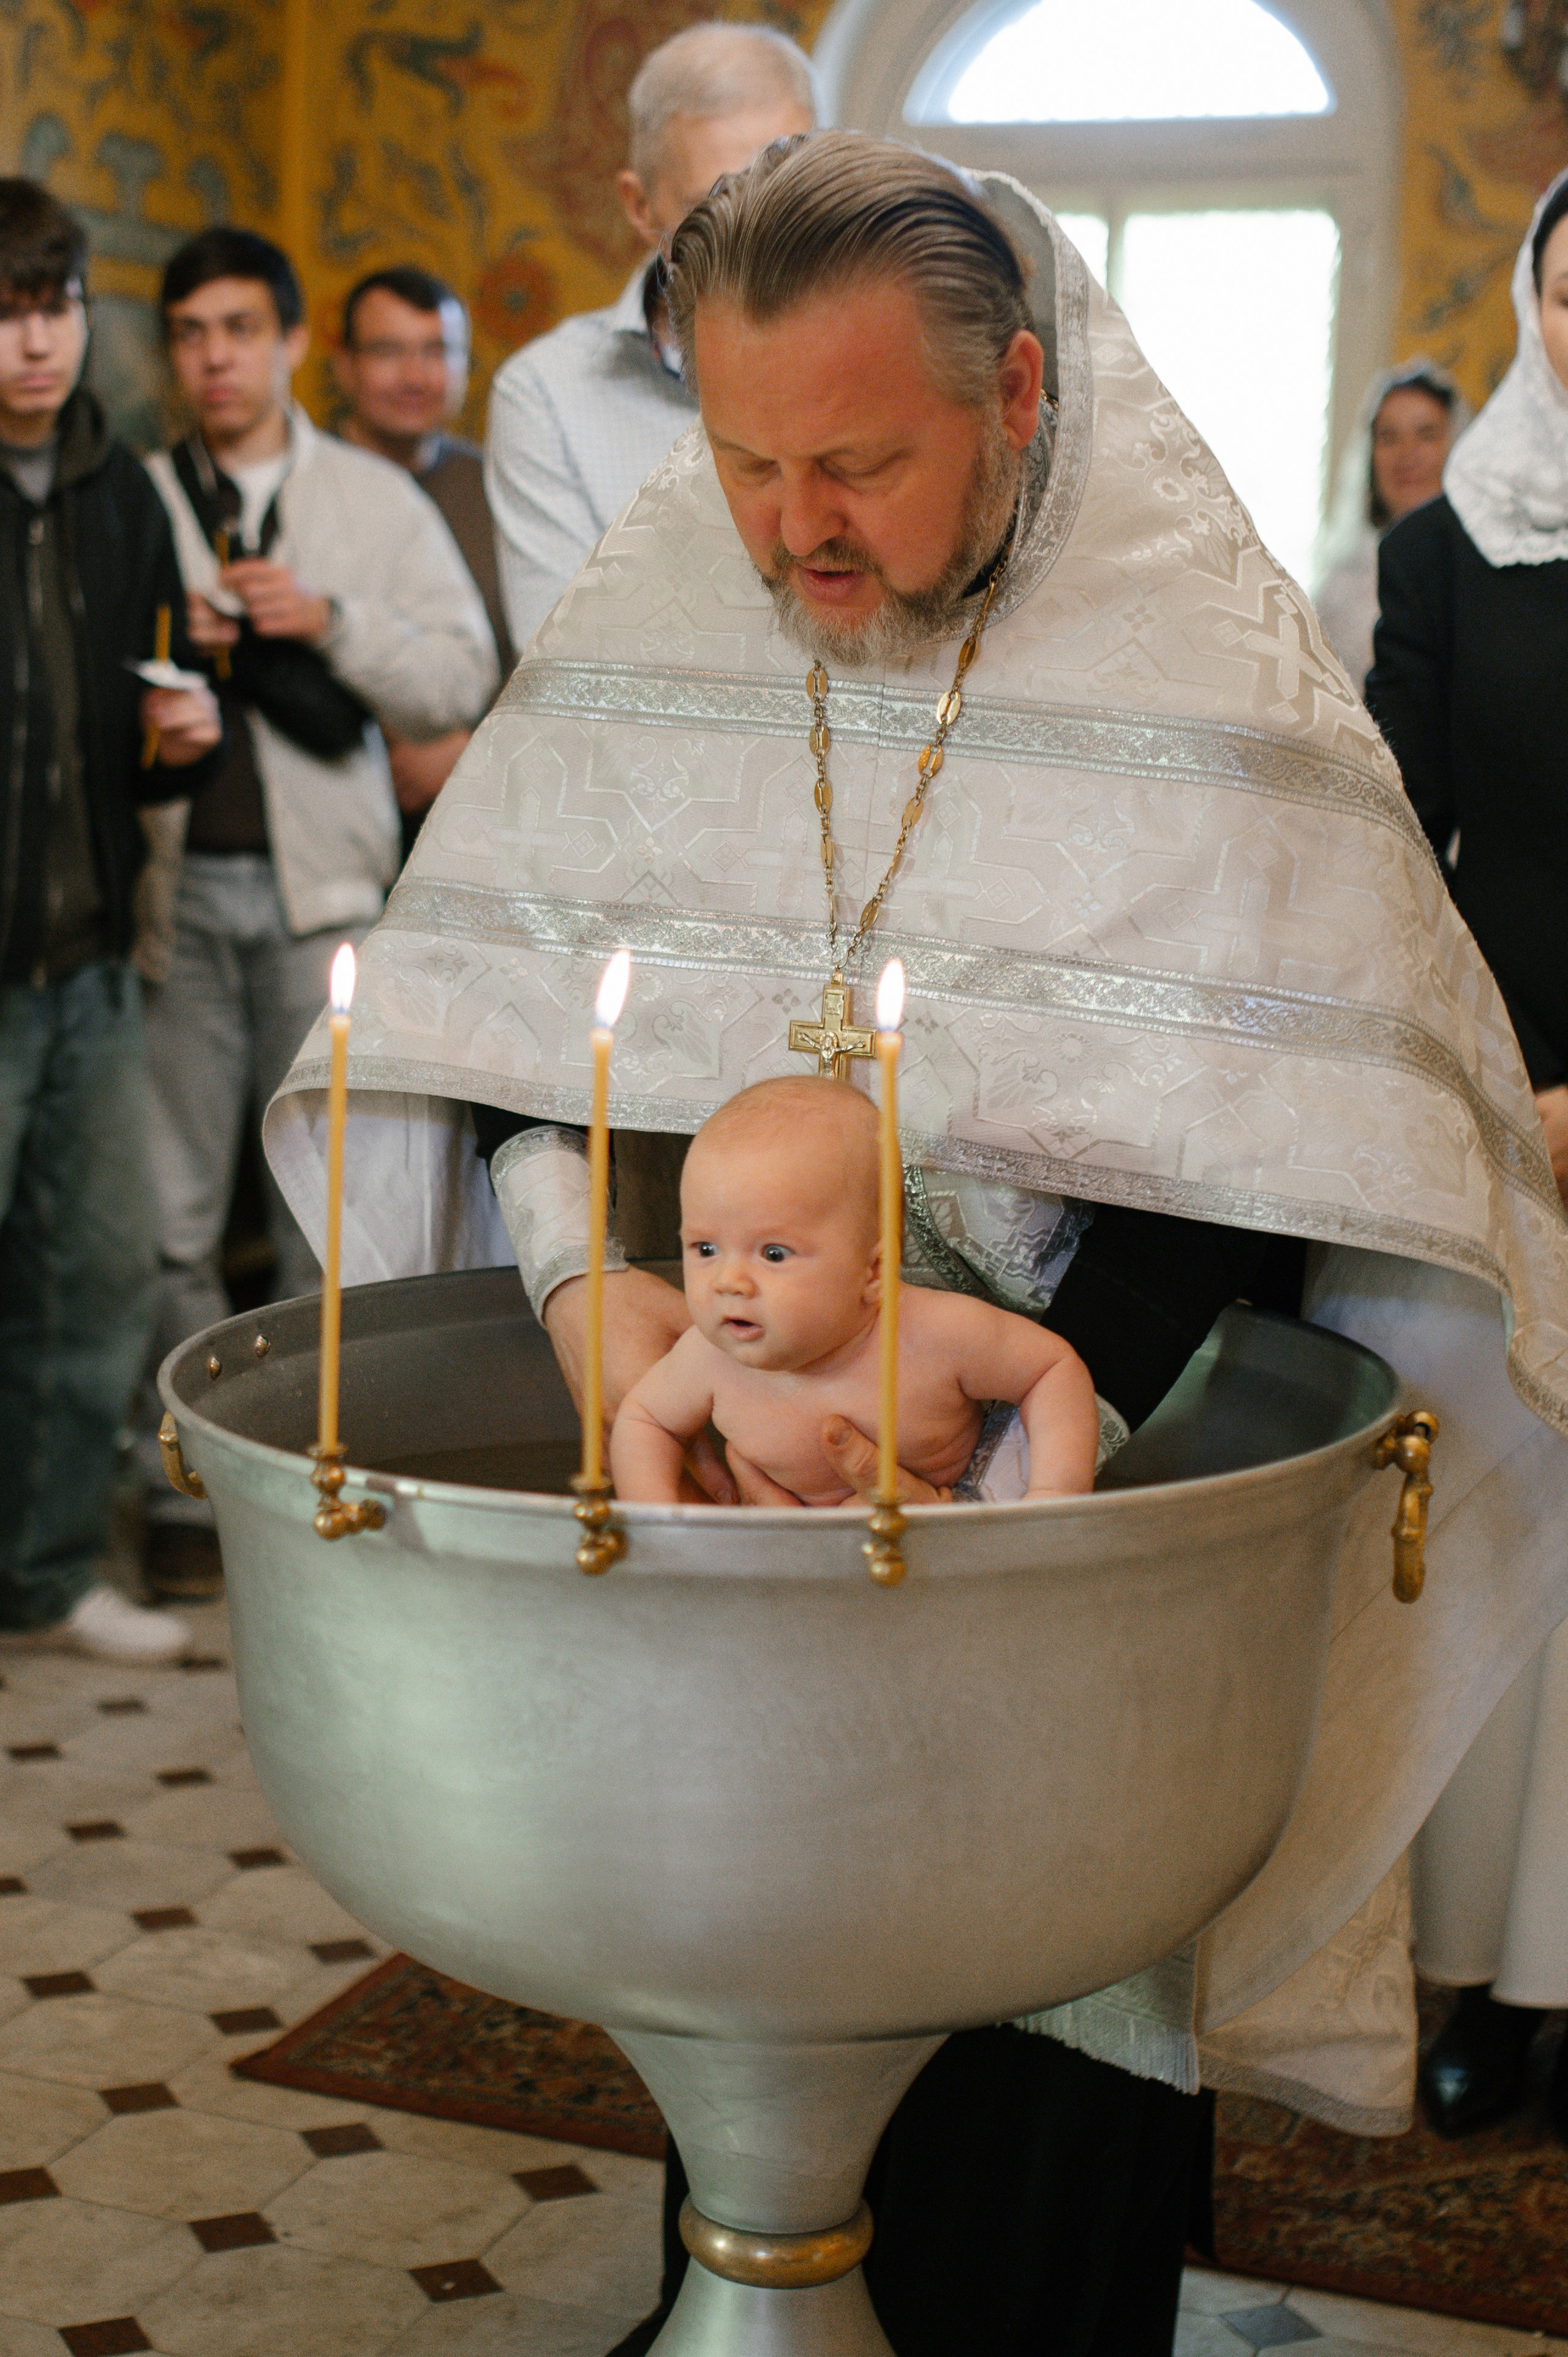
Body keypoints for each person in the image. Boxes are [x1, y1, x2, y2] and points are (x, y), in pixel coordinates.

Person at [267, 137, 1568, 2355]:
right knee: (752, 1992)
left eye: (861, 460)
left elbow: (1281, 1139)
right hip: (734, 1506)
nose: (792, 526)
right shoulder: (681, 620)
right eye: (752, 456)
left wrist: (964, 1412)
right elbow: (522, 1027)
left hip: (1076, 1516)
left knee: (1041, 2069)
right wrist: (606, 1302)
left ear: (1026, 398)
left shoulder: (1213, 696)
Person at [139, 225, 497, 1598]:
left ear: (293, 346)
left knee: (320, 1209)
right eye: (189, 332)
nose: (215, 356)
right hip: (168, 900)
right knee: (168, 1223)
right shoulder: (140, 495)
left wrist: (325, 616)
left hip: (327, 905)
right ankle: (195, 1490)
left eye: (240, 328)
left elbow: (455, 676)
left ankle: (311, 1492)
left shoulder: (369, 501)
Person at [1366, 169, 1568, 2144]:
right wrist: (1509, 1086)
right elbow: (1389, 849)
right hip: (1506, 1108)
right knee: (1511, 1563)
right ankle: (1487, 1992)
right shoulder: (1442, 554)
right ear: (1535, 305)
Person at [0, 179, 221, 1663]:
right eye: (9, 307)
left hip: (91, 959)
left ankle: (51, 1566)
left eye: (58, 304)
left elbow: (139, 710)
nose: (36, 342)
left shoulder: (121, 486)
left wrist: (185, 728)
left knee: (89, 1284)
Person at [611, 1078, 1099, 1507]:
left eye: (774, 1254)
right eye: (706, 1248)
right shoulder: (708, 1359)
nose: (728, 1281)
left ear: (874, 1270)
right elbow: (644, 1421)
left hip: (938, 1535)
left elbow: (1050, 1371)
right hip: (793, 1550)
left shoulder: (936, 1334)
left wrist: (1053, 1497)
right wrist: (658, 1524)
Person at [484, 21, 815, 650]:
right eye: (716, 205)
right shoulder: (546, 393)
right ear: (641, 207)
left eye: (788, 194)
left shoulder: (889, 368)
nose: (761, 237)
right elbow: (566, 666)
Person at [334, 265, 514, 844]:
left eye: (438, 352)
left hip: (485, 811)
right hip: (337, 810)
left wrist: (467, 745)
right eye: (388, 351)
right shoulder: (305, 483)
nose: (415, 376)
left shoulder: (500, 488)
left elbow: (545, 636)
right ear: (344, 363)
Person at [1313, 358, 1468, 686]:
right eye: (1388, 437)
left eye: (1426, 435)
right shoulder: (1338, 593)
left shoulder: (1481, 576)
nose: (1406, 455)